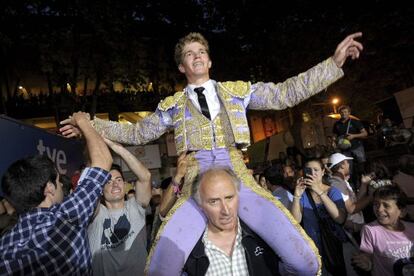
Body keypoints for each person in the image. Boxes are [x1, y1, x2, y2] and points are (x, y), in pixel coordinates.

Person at [60, 31, 363, 275]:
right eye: (189, 54)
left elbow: (285, 93)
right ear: (182, 66)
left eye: (201, 52)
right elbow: (137, 133)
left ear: (209, 60)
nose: (197, 57)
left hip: (237, 175)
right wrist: (89, 124)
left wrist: (333, 64)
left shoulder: (237, 90)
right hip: (194, 181)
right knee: (161, 269)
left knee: (306, 262)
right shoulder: (173, 105)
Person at [0, 112, 112, 275]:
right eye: (59, 181)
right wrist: (82, 120)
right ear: (49, 189)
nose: (62, 186)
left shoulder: (5, 244)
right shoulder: (65, 218)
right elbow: (102, 160)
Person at [183, 167, 280, 275]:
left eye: (229, 198)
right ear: (201, 205)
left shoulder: (264, 238)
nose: (226, 210)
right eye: (214, 201)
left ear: (238, 197)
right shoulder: (190, 255)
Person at [87, 138, 152, 276]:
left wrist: (117, 148)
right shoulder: (97, 213)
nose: (115, 184)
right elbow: (91, 175)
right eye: (108, 182)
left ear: (124, 184)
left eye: (118, 180)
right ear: (100, 189)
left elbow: (145, 176)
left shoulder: (135, 207)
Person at [291, 158, 347, 275]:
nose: (312, 173)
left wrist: (319, 192)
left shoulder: (332, 191)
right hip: (314, 250)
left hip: (333, 246)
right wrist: (296, 196)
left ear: (323, 172)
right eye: (308, 170)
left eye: (316, 170)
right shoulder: (303, 194)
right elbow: (295, 221)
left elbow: (340, 218)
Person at [352, 185, 414, 276]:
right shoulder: (371, 231)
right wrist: (367, 262)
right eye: (376, 204)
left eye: (386, 205)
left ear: (402, 211)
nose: (379, 209)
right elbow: (367, 255)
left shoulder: (412, 228)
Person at [328, 153, 372, 275]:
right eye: (347, 162)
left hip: (356, 229)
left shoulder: (342, 182)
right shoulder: (337, 184)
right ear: (341, 165)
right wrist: (371, 197)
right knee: (361, 266)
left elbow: (355, 201)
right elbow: (352, 209)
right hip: (352, 232)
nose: (349, 164)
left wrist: (364, 184)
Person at [333, 105, 368, 187]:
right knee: (348, 169)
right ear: (339, 114)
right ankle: (352, 187)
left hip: (357, 147)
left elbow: (365, 133)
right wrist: (334, 141)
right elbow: (334, 135)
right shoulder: (337, 124)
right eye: (341, 112)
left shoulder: (355, 122)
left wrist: (354, 136)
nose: (343, 114)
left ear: (349, 113)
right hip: (345, 149)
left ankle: (364, 184)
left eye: (345, 112)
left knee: (361, 167)